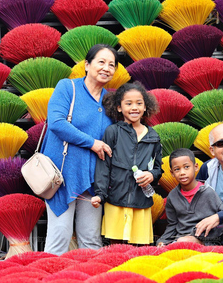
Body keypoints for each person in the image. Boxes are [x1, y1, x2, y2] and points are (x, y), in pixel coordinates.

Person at [42, 44, 118, 255]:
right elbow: (57, 123)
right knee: (59, 237)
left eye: (112, 65)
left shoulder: (111, 101)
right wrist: (92, 143)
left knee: (91, 240)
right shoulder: (68, 87)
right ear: (87, 65)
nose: (106, 68)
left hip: (94, 180)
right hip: (63, 176)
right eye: (101, 62)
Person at [91, 82, 162, 245]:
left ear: (145, 107)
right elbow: (104, 166)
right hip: (115, 203)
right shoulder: (112, 132)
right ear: (119, 108)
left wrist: (151, 175)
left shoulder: (154, 136)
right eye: (128, 103)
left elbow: (158, 169)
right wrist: (100, 195)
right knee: (116, 248)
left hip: (141, 204)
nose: (134, 107)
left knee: (139, 250)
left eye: (139, 103)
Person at [157, 148, 223, 246]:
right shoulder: (172, 196)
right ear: (172, 173)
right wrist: (162, 241)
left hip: (207, 241)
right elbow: (172, 225)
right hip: (180, 239)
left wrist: (202, 239)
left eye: (186, 167)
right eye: (177, 169)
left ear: (196, 167)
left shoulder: (208, 193)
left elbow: (222, 220)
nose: (182, 172)